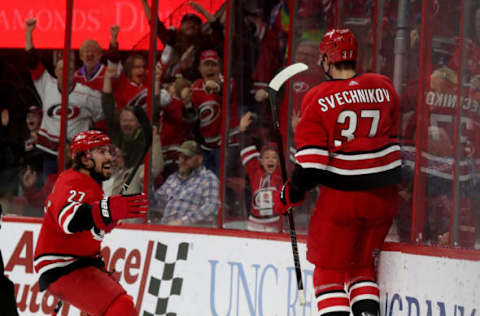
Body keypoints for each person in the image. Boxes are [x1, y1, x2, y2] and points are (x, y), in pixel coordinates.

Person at [273, 29, 401, 316]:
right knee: (361, 268)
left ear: (327, 60)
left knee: (328, 275)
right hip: (383, 200)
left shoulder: (317, 97)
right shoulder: (385, 86)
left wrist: (288, 194)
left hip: (342, 201)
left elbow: (312, 167)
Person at [33, 130, 148, 316]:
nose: (109, 156)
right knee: (121, 306)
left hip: (81, 262)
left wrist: (105, 219)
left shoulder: (92, 187)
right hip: (62, 265)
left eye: (109, 151)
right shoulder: (71, 180)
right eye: (102, 152)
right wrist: (106, 210)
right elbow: (70, 221)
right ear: (85, 159)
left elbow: (92, 228)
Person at [25, 18, 104, 178]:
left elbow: (105, 114)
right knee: (51, 191)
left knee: (75, 191)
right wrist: (28, 33)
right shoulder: (47, 84)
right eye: (61, 69)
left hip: (76, 154)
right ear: (56, 71)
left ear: (74, 72)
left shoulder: (87, 94)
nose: (65, 72)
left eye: (69, 69)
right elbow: (32, 62)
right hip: (49, 151)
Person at [151, 140, 220, 226]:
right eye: (180, 157)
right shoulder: (173, 178)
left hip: (191, 233)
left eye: (187, 157)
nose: (182, 161)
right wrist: (147, 184)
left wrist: (183, 222)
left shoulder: (208, 178)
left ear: (199, 159)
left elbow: (212, 207)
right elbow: (156, 203)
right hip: (165, 230)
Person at [240, 140, 282, 232]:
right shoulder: (255, 172)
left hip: (275, 223)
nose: (270, 160)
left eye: (274, 157)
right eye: (267, 157)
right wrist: (245, 130)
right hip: (254, 223)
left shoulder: (281, 175)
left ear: (279, 162)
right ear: (261, 161)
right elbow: (246, 148)